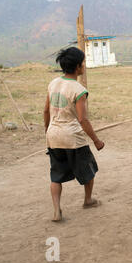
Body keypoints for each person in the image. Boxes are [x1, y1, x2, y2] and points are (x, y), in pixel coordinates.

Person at [43, 47, 105, 222]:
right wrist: (96, 140)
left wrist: (47, 131)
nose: (84, 66)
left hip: (53, 136)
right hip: (72, 137)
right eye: (83, 63)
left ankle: (57, 210)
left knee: (56, 175)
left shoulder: (53, 83)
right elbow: (83, 119)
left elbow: (46, 110)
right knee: (88, 168)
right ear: (78, 67)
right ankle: (88, 200)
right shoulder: (79, 89)